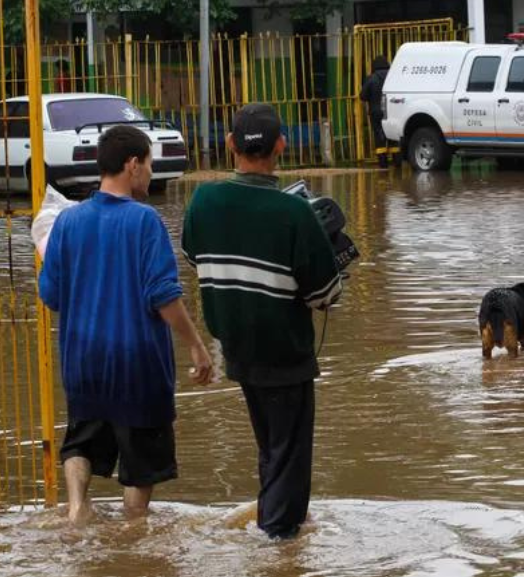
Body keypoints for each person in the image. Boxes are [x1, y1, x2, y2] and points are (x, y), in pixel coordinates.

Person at [181, 103, 342, 539]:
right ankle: (277, 546)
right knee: (288, 454)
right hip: (285, 353)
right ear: (282, 146)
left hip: (237, 349)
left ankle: (280, 518)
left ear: (230, 144)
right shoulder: (295, 214)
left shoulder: (204, 200)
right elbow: (326, 295)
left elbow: (195, 256)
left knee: (273, 448)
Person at [39, 125, 213, 524]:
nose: (151, 174)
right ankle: (134, 533)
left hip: (83, 361)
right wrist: (195, 344)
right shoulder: (144, 221)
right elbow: (163, 295)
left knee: (80, 440)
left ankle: (77, 508)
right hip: (137, 366)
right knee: (139, 468)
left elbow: (50, 295)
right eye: (149, 165)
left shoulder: (66, 223)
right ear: (132, 164)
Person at [359, 55, 400, 168]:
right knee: (393, 136)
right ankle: (398, 164)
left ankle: (383, 165)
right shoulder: (394, 77)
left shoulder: (371, 78)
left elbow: (363, 96)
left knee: (379, 135)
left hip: (376, 112)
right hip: (392, 111)